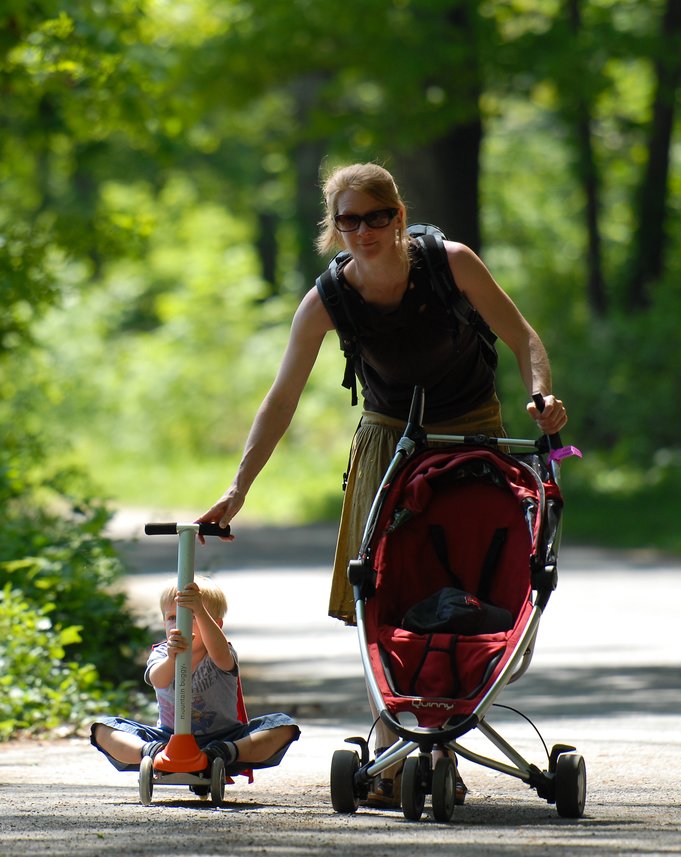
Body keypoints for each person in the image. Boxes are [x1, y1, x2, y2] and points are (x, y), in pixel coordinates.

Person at [196, 161, 569, 803]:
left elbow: (523, 337)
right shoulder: (328, 299)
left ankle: (444, 725)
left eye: (377, 216)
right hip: (389, 434)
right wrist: (240, 488)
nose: (364, 230)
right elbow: (280, 398)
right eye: (349, 220)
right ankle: (397, 745)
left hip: (472, 427)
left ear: (398, 216)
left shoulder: (451, 262)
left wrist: (543, 397)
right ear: (333, 228)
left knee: (473, 572)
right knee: (381, 586)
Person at [90, 576, 300, 774]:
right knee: (104, 728)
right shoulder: (162, 653)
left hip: (224, 738)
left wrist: (200, 609)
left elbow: (221, 656)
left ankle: (221, 754)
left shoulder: (220, 652)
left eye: (191, 616)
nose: (179, 623)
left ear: (216, 625)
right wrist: (172, 659)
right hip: (168, 738)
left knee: (283, 726)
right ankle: (152, 753)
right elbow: (158, 679)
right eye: (172, 618)